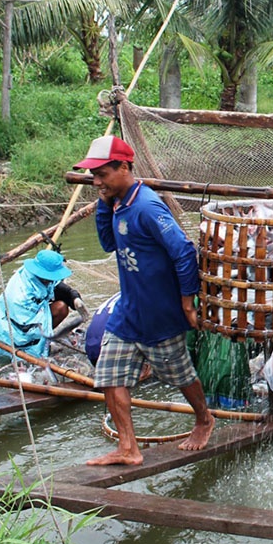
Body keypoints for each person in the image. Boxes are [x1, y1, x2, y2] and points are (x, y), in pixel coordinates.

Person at [75, 134, 214, 466]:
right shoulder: (117, 203)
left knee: (181, 375)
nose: (96, 181)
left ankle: (204, 419)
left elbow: (183, 251)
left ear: (124, 167)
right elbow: (109, 243)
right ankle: (128, 448)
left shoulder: (147, 206)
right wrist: (103, 203)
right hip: (128, 312)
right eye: (93, 176)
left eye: (102, 175)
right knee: (108, 376)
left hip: (161, 314)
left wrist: (186, 303)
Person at [0, 249, 86, 360]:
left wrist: (74, 297)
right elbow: (29, 328)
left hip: (35, 315)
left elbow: (58, 287)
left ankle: (46, 342)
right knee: (31, 352)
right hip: (18, 329)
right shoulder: (20, 295)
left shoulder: (36, 275)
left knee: (61, 307)